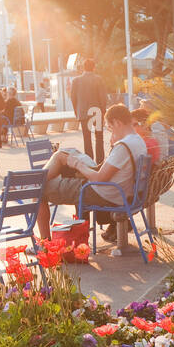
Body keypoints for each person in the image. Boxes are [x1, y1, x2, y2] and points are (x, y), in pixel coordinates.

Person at [36, 102, 148, 253]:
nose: (111, 132)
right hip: (119, 192)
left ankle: (44, 246)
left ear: (117, 123)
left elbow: (98, 178)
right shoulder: (138, 141)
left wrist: (77, 164)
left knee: (39, 192)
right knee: (65, 155)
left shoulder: (123, 146)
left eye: (110, 127)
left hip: (102, 193)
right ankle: (37, 180)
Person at [69, 57, 108, 164]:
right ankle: (100, 162)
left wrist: (77, 112)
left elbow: (73, 98)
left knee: (87, 139)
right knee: (99, 137)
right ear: (94, 67)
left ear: (83, 68)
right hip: (97, 112)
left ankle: (89, 162)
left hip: (83, 113)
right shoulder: (98, 79)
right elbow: (103, 97)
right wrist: (103, 112)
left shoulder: (76, 80)